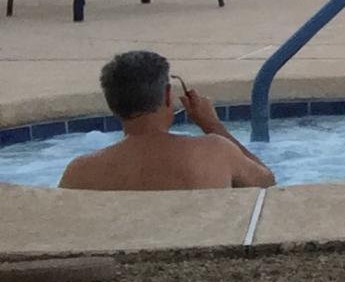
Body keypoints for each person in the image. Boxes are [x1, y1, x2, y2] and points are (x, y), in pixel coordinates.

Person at [58, 50, 276, 191]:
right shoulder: (215, 152)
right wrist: (212, 125)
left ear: (111, 103)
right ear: (166, 95)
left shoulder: (80, 172)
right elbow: (267, 184)